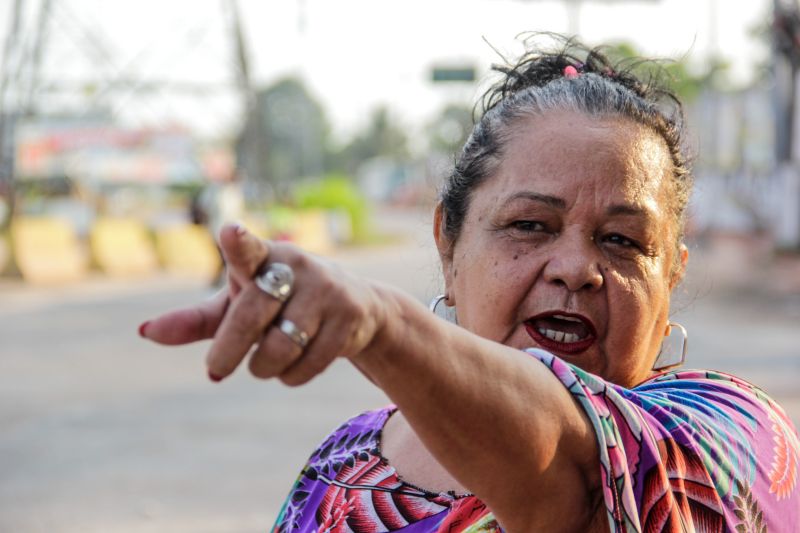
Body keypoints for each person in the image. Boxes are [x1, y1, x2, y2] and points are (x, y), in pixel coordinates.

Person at [140, 37, 800, 532]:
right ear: (448, 245)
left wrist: (384, 327)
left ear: (672, 276)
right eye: (531, 225)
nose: (575, 266)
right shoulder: (340, 466)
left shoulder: (735, 437)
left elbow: (576, 473)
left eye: (623, 241)